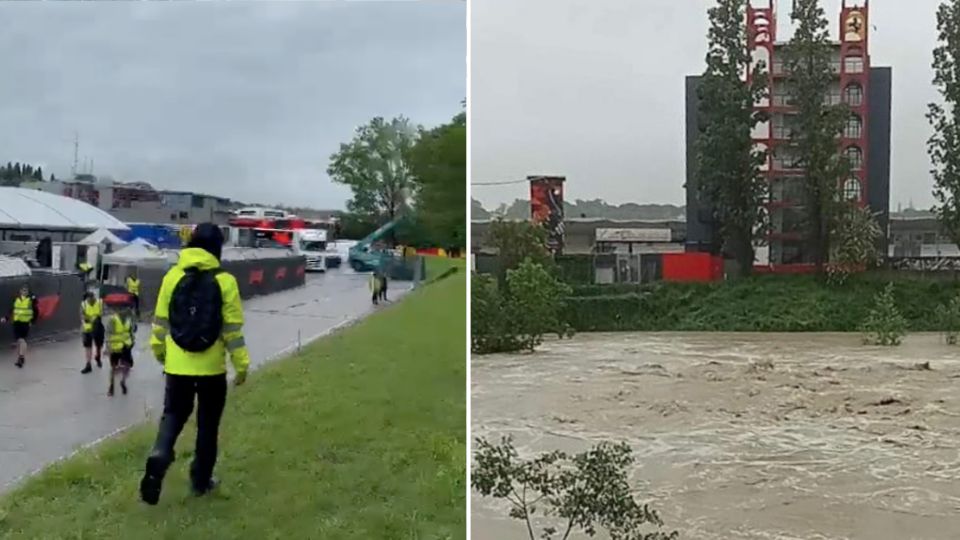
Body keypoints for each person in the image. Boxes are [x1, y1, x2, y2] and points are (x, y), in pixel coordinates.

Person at [140, 223, 250, 505]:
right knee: (208, 426)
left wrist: (161, 354)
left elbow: (160, 323)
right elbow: (232, 332)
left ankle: (161, 451)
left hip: (177, 367)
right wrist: (242, 366)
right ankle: (201, 481)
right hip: (212, 369)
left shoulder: (172, 276)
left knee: (173, 414)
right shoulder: (225, 281)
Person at [104, 299, 135, 396]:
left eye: (127, 308)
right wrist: (108, 347)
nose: (126, 310)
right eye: (124, 309)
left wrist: (133, 341)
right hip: (115, 347)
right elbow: (108, 334)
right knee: (113, 368)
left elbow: (131, 332)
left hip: (126, 346)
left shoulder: (129, 319)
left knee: (127, 366)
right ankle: (111, 386)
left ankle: (123, 381)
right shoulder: (113, 319)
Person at [2, 285, 36, 368]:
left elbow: (36, 311)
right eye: (23, 290)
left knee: (21, 340)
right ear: (20, 291)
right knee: (19, 341)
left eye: (26, 291)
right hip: (17, 322)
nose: (24, 292)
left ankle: (21, 358)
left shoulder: (31, 300)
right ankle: (21, 357)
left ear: (28, 292)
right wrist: (6, 318)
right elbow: (12, 310)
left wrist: (32, 321)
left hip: (25, 323)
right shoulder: (16, 299)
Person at [80, 292, 104, 374]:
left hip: (98, 327)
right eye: (88, 299)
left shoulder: (100, 302)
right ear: (87, 298)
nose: (90, 300)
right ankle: (88, 365)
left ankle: (98, 356)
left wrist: (96, 318)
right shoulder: (84, 304)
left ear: (94, 297)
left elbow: (102, 312)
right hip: (87, 329)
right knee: (88, 346)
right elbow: (82, 315)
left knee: (98, 345)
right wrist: (86, 319)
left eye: (92, 298)